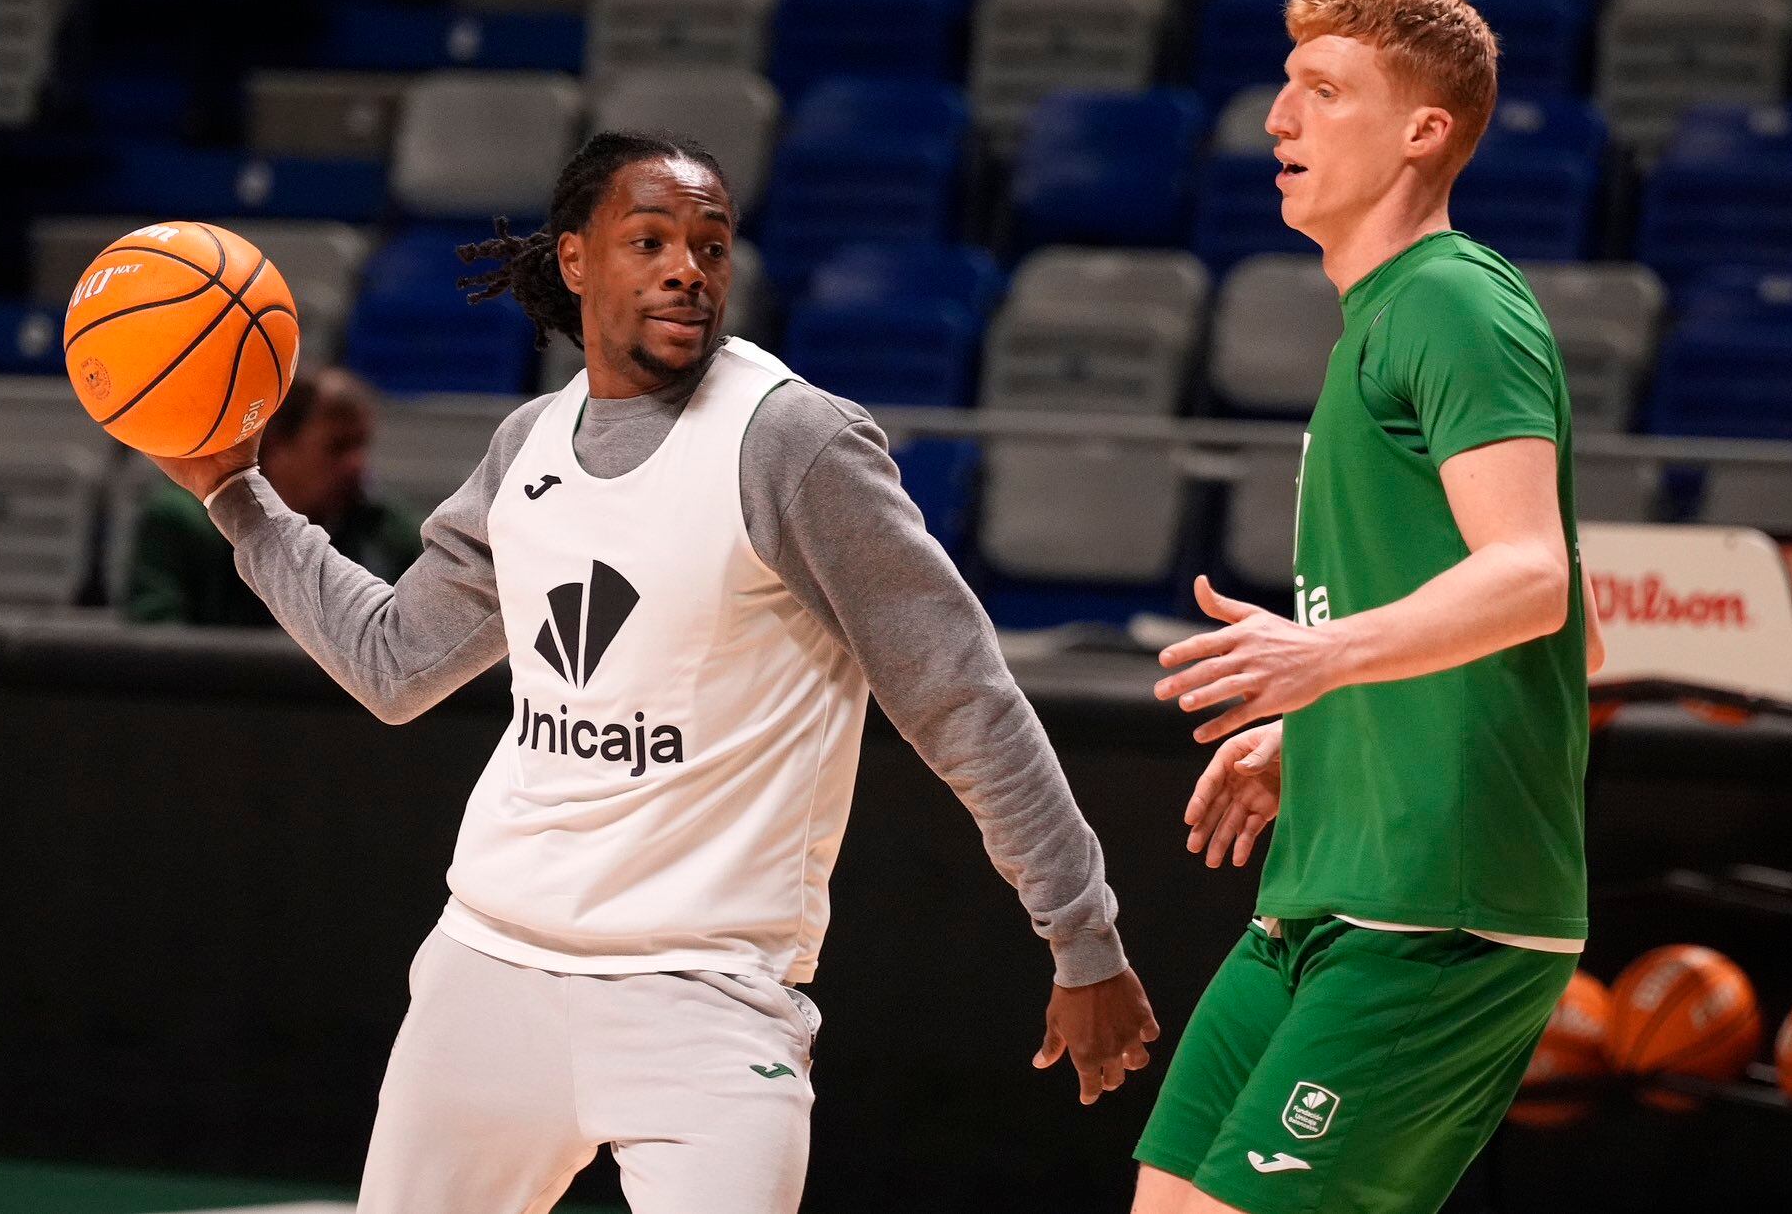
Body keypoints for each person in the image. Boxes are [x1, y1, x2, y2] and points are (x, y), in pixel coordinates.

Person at [145, 130, 1158, 1214]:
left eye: (712, 245)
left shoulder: (792, 444)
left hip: (707, 993)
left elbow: (961, 698)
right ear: (576, 260)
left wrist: (1079, 932)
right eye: (651, 240)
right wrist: (238, 497)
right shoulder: (528, 445)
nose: (689, 267)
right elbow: (395, 663)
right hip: (488, 967)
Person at [1131, 0, 1608, 1214]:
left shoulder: (1452, 301)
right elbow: (1576, 632)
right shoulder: (1376, 322)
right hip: (1322, 891)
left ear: (1422, 132)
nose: (1279, 119)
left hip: (1436, 906)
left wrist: (1326, 661)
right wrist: (1325, 722)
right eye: (1286, 87)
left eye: (1323, 92)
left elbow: (1532, 580)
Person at [124, 366, 420, 626]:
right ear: (277, 447)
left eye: (361, 446)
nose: (357, 465)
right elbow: (155, 653)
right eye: (338, 447)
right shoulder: (181, 521)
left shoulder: (387, 532)